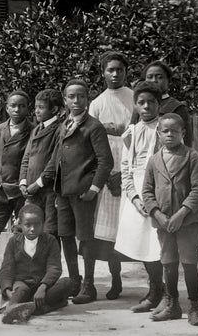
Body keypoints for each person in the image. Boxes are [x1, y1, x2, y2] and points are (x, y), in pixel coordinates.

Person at [141, 113, 198, 326]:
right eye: (165, 131)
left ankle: (194, 307)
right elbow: (147, 191)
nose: (170, 134)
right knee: (168, 263)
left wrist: (181, 214)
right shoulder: (153, 160)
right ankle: (172, 304)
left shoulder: (192, 157)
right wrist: (158, 215)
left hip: (186, 221)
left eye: (175, 131)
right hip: (163, 223)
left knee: (189, 263)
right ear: (159, 134)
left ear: (183, 133)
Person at [52, 78, 113, 302]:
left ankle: (89, 286)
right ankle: (74, 281)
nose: (76, 101)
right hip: (63, 192)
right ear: (65, 100)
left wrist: (93, 188)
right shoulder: (63, 125)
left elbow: (106, 161)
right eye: (71, 97)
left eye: (81, 96)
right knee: (65, 235)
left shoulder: (93, 126)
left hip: (83, 191)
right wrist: (54, 188)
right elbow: (57, 159)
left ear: (87, 99)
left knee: (85, 238)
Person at [87, 51, 134, 300]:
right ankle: (115, 280)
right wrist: (106, 176)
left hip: (130, 172)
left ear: (126, 72)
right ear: (103, 73)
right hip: (107, 172)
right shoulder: (97, 104)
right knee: (108, 235)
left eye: (119, 69)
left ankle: (155, 285)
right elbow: (93, 143)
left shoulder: (135, 98)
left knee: (134, 229)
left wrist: (124, 174)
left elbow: (139, 136)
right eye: (110, 70)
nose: (115, 74)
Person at [117, 82, 165, 312]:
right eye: (142, 102)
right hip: (137, 193)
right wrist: (135, 198)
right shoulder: (131, 133)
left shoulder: (165, 129)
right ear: (135, 105)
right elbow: (126, 168)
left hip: (160, 190)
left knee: (160, 245)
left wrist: (155, 198)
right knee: (143, 243)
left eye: (151, 102)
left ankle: (166, 291)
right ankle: (156, 288)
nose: (146, 106)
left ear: (159, 104)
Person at [0, 202, 77, 324]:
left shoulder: (50, 241)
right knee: (20, 291)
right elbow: (6, 268)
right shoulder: (13, 242)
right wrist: (8, 291)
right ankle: (15, 308)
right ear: (20, 224)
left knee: (68, 283)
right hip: (22, 283)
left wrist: (43, 287)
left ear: (43, 224)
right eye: (27, 225)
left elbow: (54, 267)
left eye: (37, 224)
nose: (32, 229)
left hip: (43, 285)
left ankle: (30, 307)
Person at [0, 90, 31, 250]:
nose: (17, 110)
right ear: (7, 108)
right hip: (1, 188)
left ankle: (22, 270)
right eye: (13, 106)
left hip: (21, 189)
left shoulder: (32, 130)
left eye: (21, 106)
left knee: (22, 232)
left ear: (27, 108)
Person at [19, 89, 63, 236]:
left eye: (41, 108)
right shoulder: (36, 129)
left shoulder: (59, 129)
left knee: (49, 231)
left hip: (48, 190)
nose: (36, 111)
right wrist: (23, 182)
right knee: (25, 228)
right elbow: (26, 158)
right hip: (31, 190)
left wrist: (37, 184)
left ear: (54, 109)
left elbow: (54, 162)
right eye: (36, 107)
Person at [134, 62, 191, 133]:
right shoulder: (140, 105)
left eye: (159, 77)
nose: (154, 80)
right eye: (150, 77)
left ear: (168, 81)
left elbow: (186, 138)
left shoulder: (177, 107)